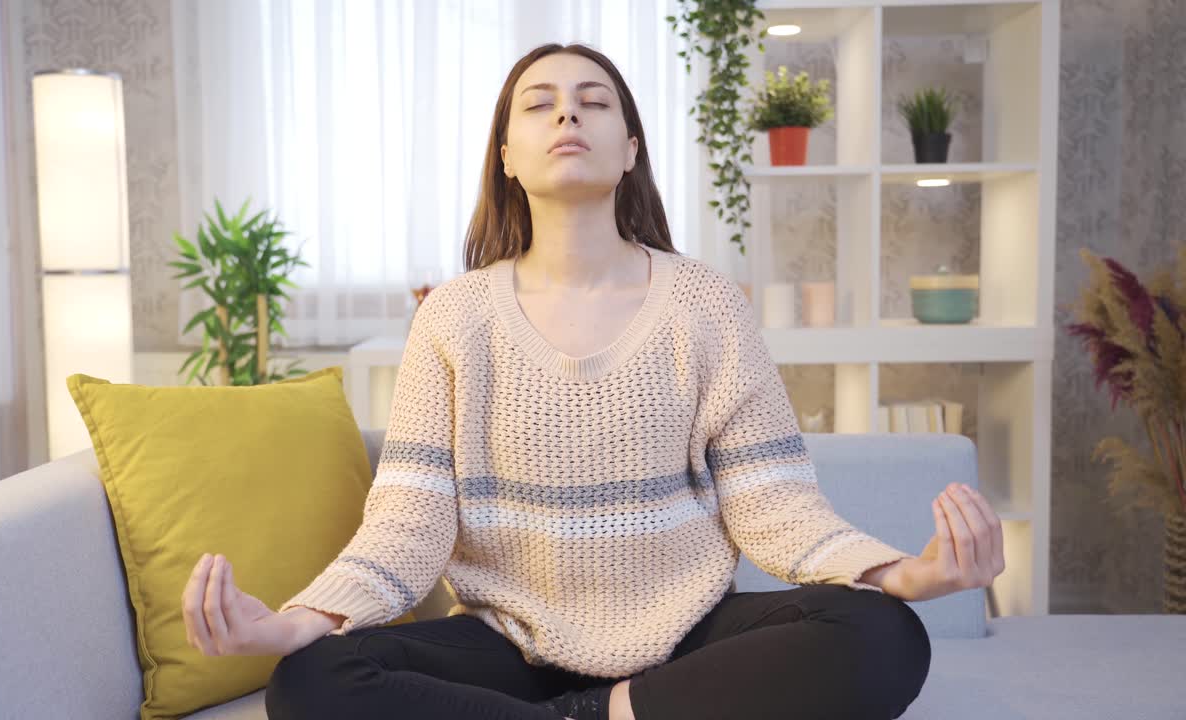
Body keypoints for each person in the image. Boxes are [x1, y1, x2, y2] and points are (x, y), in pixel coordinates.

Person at [182, 42, 1005, 720]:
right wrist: (297, 621)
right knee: (310, 682)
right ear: (507, 157)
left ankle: (601, 712)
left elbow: (774, 505)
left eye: (593, 101)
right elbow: (408, 524)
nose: (567, 115)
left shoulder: (706, 303)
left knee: (882, 636)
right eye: (539, 104)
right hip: (509, 644)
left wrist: (905, 576)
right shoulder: (452, 316)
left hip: (685, 641)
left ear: (631, 149)